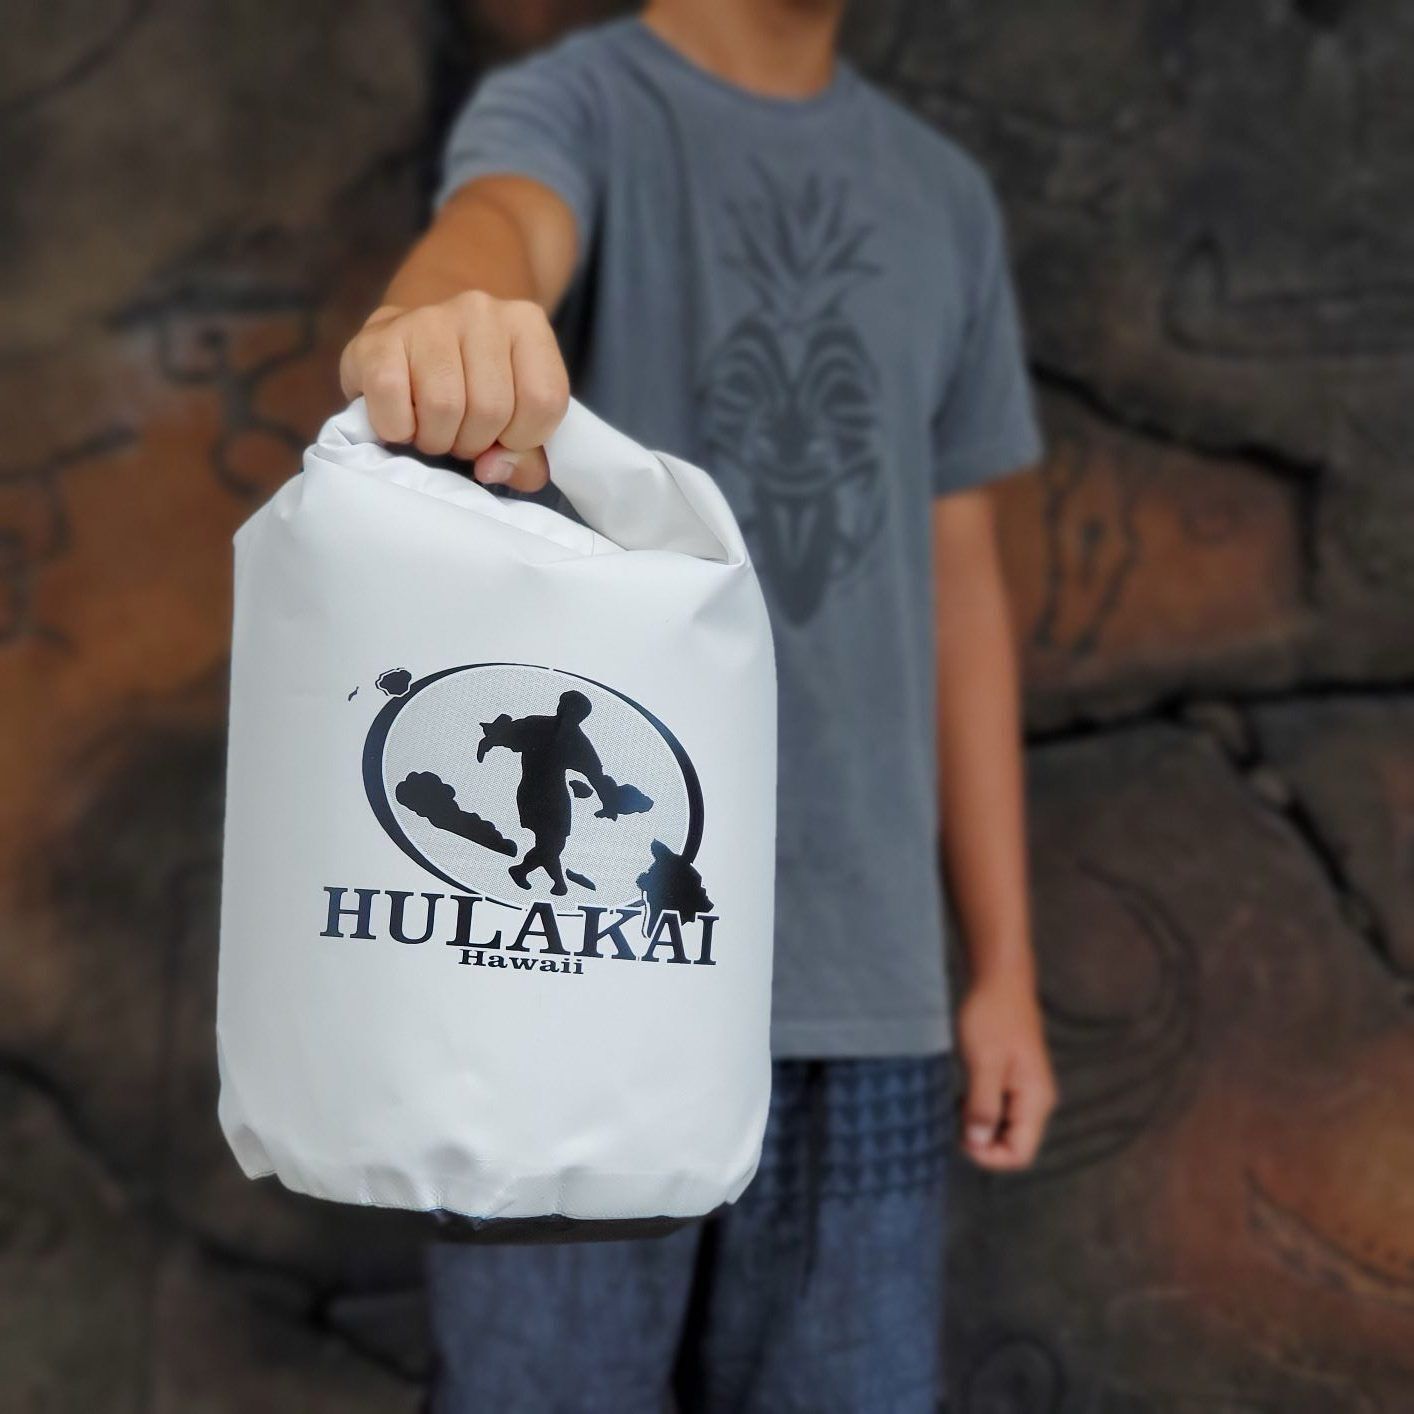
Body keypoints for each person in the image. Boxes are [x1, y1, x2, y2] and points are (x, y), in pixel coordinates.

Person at [339, 1, 1057, 1408]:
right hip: (570, 978)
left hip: (870, 994)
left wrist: (1003, 964)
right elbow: (503, 222)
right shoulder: (574, 107)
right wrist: (441, 319)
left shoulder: (944, 199)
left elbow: (958, 588)